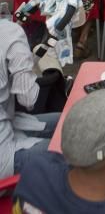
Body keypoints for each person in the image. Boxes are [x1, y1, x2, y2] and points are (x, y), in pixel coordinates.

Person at [0, 19, 62, 179]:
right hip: (4, 157)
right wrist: (23, 62)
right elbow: (28, 100)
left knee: (68, 121)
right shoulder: (9, 32)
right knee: (81, 149)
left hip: (9, 125)